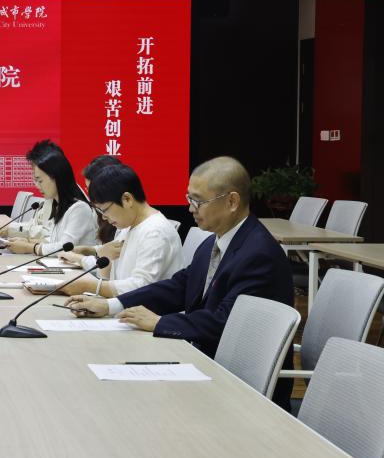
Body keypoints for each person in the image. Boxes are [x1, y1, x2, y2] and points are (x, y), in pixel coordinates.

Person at [65, 156, 294, 372]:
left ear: (232, 201)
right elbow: (178, 287)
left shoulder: (259, 254)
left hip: (237, 376)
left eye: (198, 201)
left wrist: (160, 322)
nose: (190, 208)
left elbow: (225, 322)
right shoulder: (213, 243)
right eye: (189, 199)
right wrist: (111, 305)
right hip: (205, 358)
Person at [58, 164, 183, 296]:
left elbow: (140, 287)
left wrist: (89, 286)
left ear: (127, 199)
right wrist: (102, 258)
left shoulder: (155, 232)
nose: (104, 217)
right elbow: (112, 276)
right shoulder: (128, 226)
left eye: (104, 210)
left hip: (144, 308)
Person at [6, 147, 98, 255]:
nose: (37, 186)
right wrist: (28, 242)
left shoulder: (79, 208)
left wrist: (29, 247)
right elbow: (54, 240)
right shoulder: (57, 205)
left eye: (40, 181)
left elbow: (64, 246)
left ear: (56, 177)